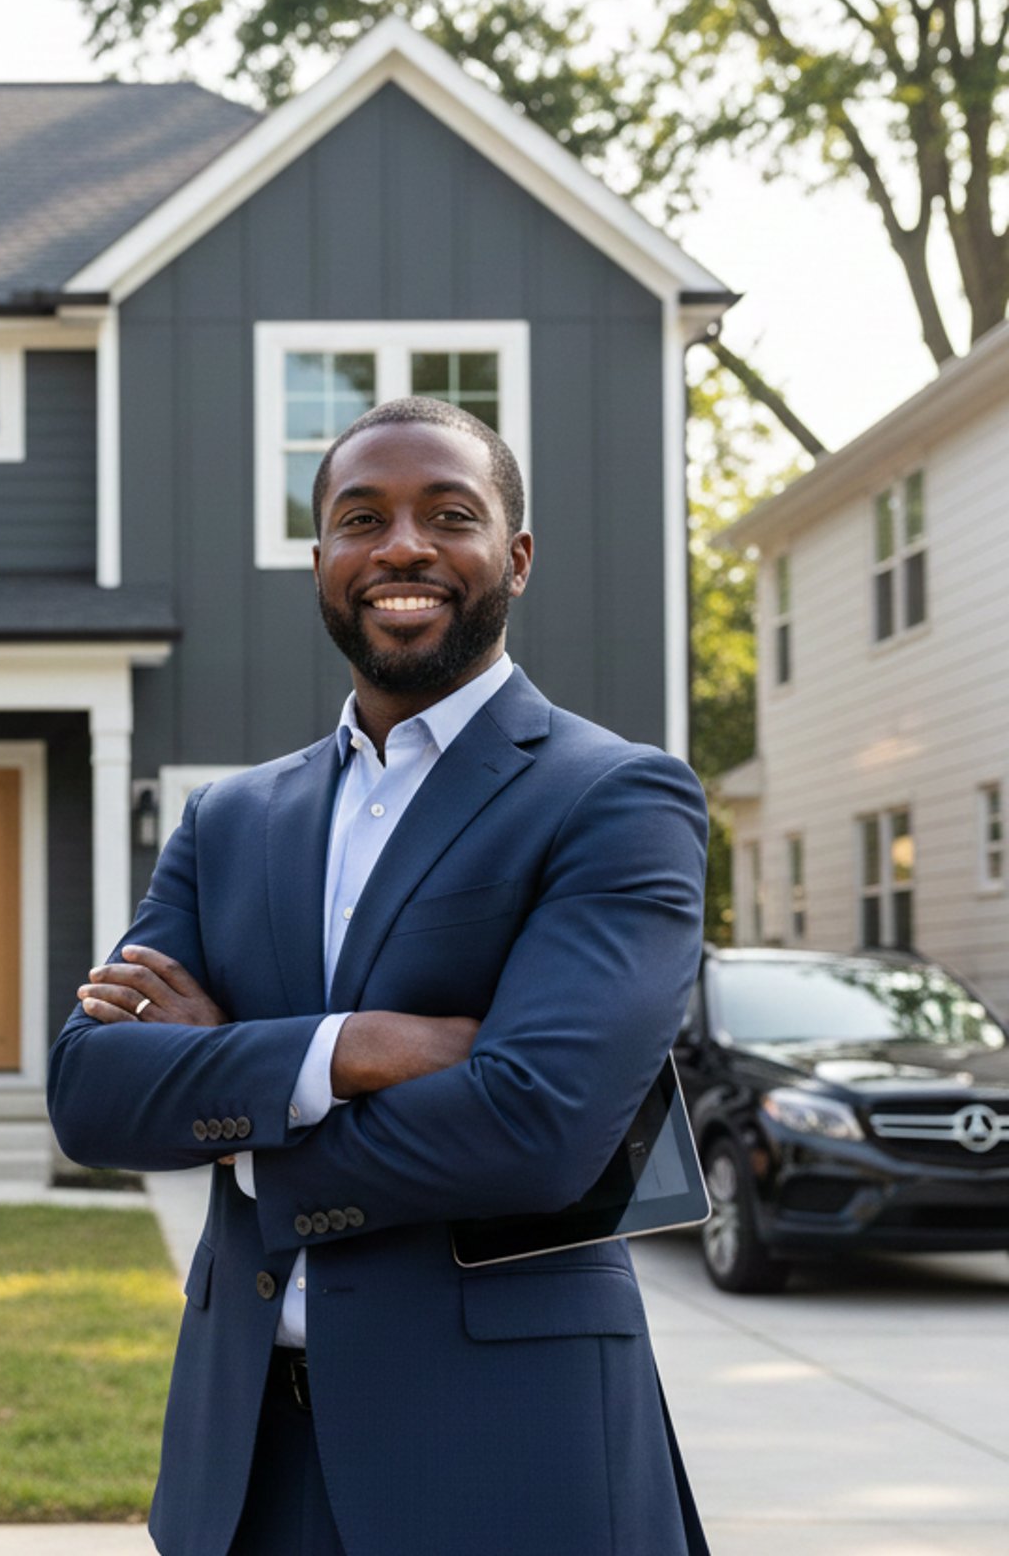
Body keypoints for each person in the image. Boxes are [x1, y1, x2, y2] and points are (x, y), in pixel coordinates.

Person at [47, 396, 710, 1556]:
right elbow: (92, 1092)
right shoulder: (232, 817)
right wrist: (350, 1047)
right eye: (363, 518)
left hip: (507, 1458)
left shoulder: (614, 797)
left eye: (448, 514)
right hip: (247, 1464)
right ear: (323, 563)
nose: (401, 545)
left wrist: (238, 1116)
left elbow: (544, 1125)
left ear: (516, 556)